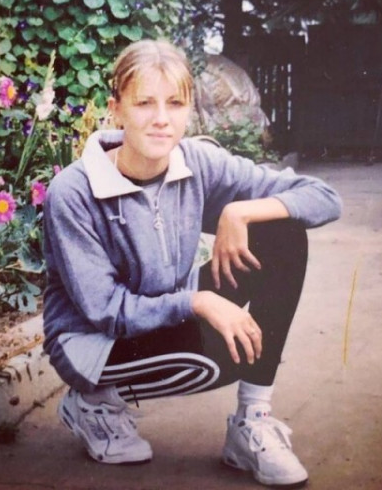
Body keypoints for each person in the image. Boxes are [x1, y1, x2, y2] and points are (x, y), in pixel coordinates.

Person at [42, 39, 342, 488]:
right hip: (92, 341)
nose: (162, 118)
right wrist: (198, 302)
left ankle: (252, 421)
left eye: (175, 103)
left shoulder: (197, 163)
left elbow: (323, 197)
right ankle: (92, 403)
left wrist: (238, 211)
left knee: (282, 232)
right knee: (220, 355)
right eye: (145, 103)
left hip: (165, 312)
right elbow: (105, 310)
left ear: (189, 111)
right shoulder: (74, 192)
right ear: (116, 109)